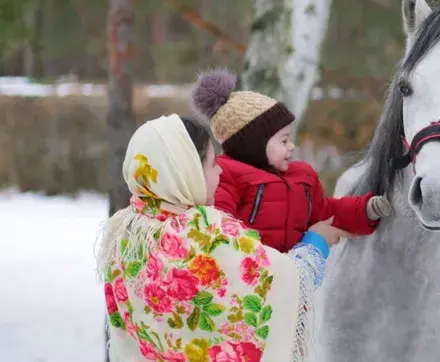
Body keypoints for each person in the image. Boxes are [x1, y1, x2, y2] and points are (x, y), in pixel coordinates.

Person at [96, 114, 345, 361]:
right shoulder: (203, 235)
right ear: (187, 171)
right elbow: (281, 285)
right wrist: (316, 243)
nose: (220, 173)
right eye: (212, 164)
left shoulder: (124, 232)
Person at [189, 67, 392, 254]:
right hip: (250, 279)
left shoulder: (301, 177)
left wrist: (366, 210)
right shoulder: (227, 176)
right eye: (284, 140)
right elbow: (219, 229)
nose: (291, 146)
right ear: (253, 144)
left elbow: (327, 212)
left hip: (292, 278)